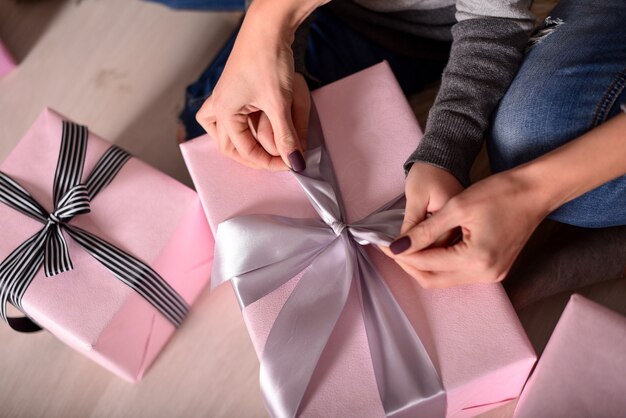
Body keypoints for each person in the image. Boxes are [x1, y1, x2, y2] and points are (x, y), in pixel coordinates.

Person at [153, 0, 626, 289]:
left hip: (423, 31)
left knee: (536, 139)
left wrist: (448, 150)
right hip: (339, 14)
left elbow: (491, 22)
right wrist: (272, 27)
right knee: (214, 142)